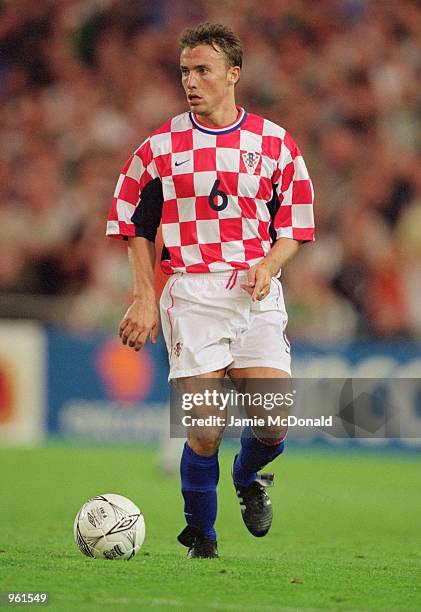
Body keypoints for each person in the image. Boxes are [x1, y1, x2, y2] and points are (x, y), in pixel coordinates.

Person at [106, 22, 315, 558]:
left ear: (233, 74)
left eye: (202, 70)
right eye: (184, 71)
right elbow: (133, 222)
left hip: (255, 294)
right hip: (193, 296)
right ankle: (202, 538)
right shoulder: (159, 148)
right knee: (203, 430)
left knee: (272, 424)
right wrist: (144, 295)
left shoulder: (273, 144)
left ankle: (248, 478)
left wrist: (270, 264)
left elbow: (295, 223)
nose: (191, 81)